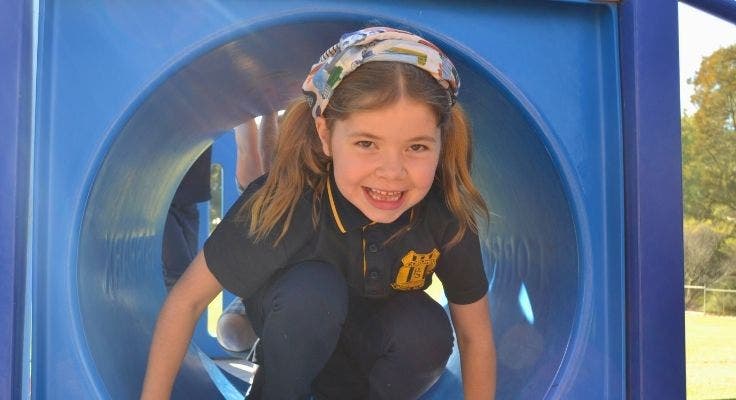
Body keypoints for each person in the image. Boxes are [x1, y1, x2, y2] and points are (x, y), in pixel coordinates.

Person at [142, 26, 497, 400]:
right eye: (366, 143)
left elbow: (475, 338)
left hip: (369, 354)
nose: (392, 171)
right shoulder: (288, 200)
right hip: (295, 332)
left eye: (417, 147)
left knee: (425, 329)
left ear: (442, 140)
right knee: (313, 294)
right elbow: (187, 301)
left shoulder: (443, 214)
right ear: (326, 134)